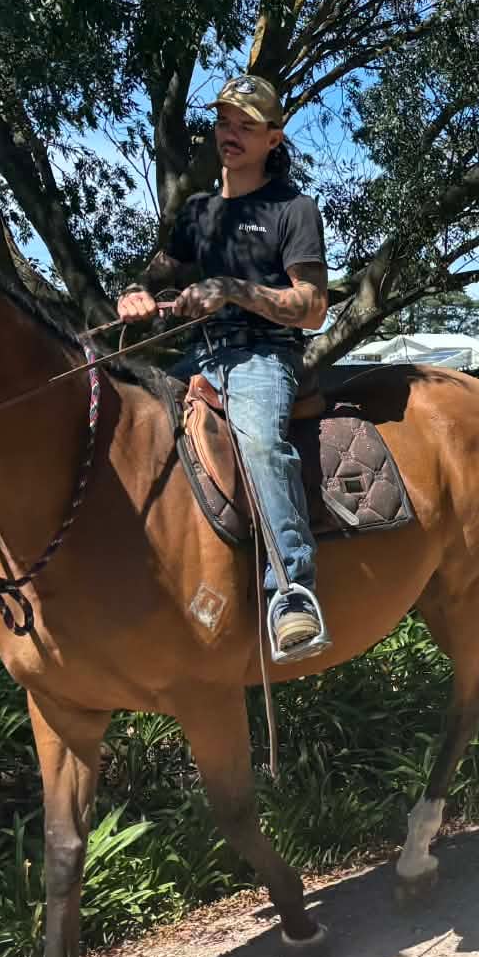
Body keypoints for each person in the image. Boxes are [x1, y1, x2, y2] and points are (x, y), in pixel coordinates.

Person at [118, 74, 331, 657]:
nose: (230, 134)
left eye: (246, 125)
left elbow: (312, 309)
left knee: (260, 443)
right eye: (224, 123)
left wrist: (231, 289)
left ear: (272, 138)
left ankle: (291, 591)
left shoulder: (293, 209)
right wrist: (134, 293)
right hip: (196, 357)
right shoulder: (197, 213)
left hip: (263, 357)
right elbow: (158, 272)